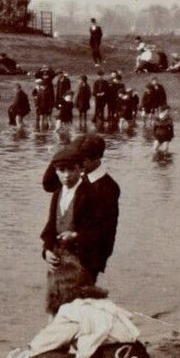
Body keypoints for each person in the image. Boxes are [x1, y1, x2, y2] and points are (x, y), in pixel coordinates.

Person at [40, 144, 93, 317]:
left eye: (71, 169)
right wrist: (47, 250)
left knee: (75, 305)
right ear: (55, 171)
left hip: (81, 258)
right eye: (61, 170)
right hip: (58, 258)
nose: (67, 175)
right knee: (53, 301)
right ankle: (51, 339)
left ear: (81, 169)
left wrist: (76, 235)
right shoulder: (58, 192)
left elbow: (101, 230)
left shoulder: (90, 193)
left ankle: (72, 341)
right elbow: (50, 227)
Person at [73, 134, 120, 282]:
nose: (79, 165)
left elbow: (105, 229)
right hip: (71, 251)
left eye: (84, 161)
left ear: (97, 158)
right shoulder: (77, 177)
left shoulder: (108, 187)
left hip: (90, 255)